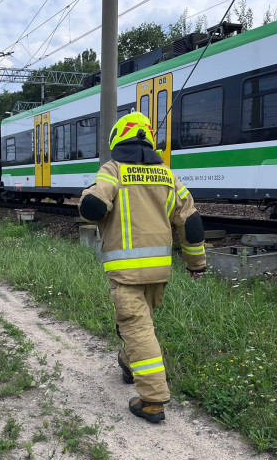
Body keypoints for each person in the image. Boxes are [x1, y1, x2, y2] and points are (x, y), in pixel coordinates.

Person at [79, 111, 206, 425]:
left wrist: (89, 197)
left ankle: (152, 401)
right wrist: (196, 263)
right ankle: (127, 362)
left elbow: (92, 208)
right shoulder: (167, 176)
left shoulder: (113, 170)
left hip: (126, 273)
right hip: (159, 272)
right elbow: (190, 223)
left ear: (117, 140)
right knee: (138, 322)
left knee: (137, 327)